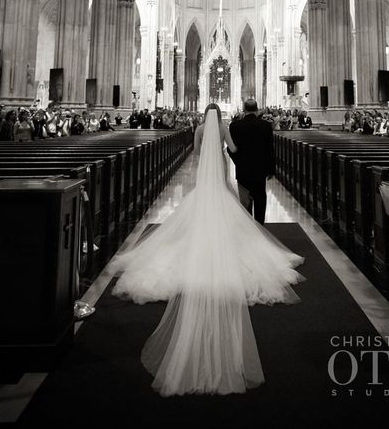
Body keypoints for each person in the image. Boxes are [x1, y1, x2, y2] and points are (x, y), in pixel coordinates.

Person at [110, 105, 305, 396]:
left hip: (204, 175)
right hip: (221, 173)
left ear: (204, 115)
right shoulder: (225, 129)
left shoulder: (199, 130)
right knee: (229, 211)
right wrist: (233, 156)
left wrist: (207, 161)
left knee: (198, 211)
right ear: (219, 117)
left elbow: (197, 152)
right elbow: (234, 148)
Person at [228, 98, 275, 225]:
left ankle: (247, 227)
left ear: (244, 109)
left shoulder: (235, 126)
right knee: (260, 198)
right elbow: (270, 148)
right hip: (260, 169)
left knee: (244, 200)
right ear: (257, 109)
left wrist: (239, 162)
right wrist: (270, 169)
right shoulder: (265, 125)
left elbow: (230, 149)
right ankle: (260, 226)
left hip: (243, 170)